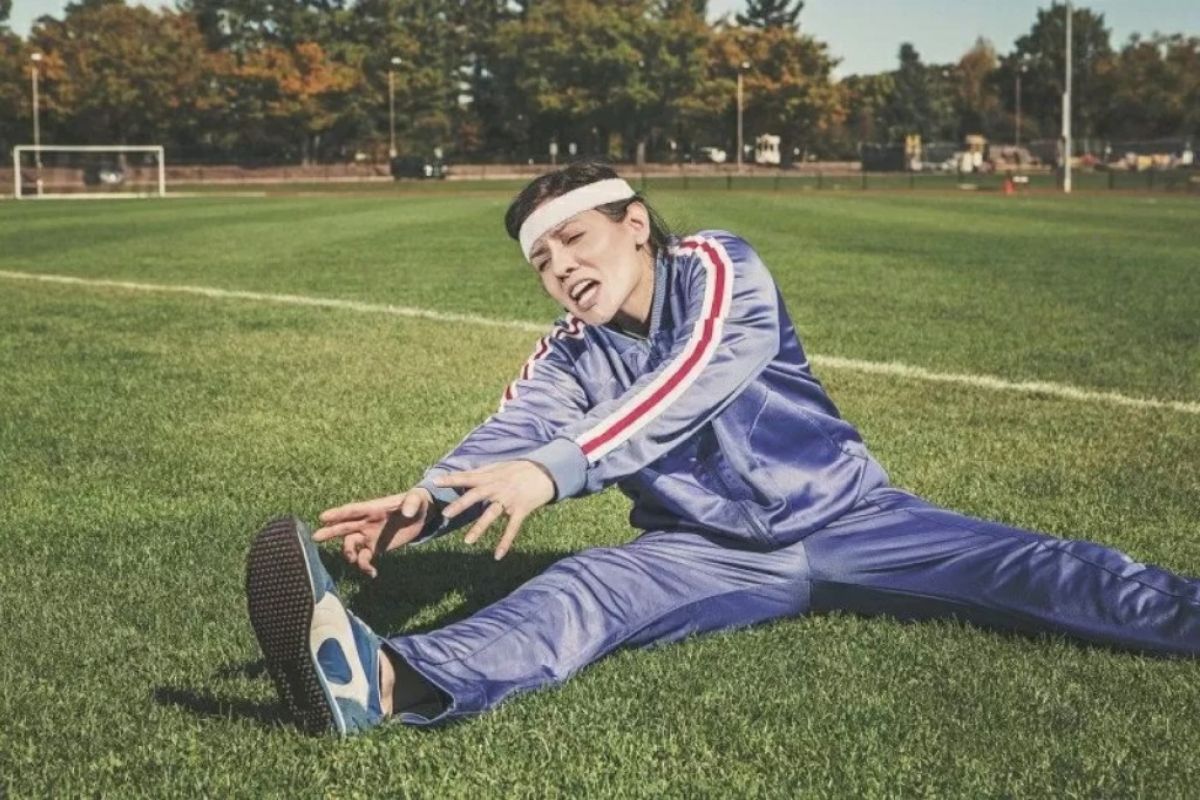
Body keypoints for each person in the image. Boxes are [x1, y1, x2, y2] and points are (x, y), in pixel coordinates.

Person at [245, 161, 1200, 736]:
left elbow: (695, 376)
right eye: (542, 261)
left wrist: (557, 468)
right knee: (578, 593)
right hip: (700, 554)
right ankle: (377, 681)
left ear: (633, 223)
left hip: (855, 518)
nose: (562, 270)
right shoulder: (568, 354)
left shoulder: (717, 267)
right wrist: (429, 501)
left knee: (1043, 571)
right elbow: (513, 433)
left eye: (574, 240)